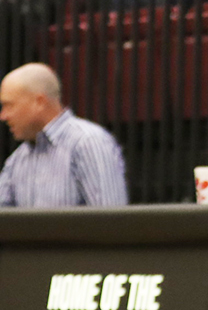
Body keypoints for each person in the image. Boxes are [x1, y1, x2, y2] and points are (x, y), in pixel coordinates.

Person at [0, 63, 127, 207]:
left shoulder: (88, 142)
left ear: (39, 102)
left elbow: (110, 222)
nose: (3, 116)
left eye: (9, 105)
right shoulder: (19, 158)